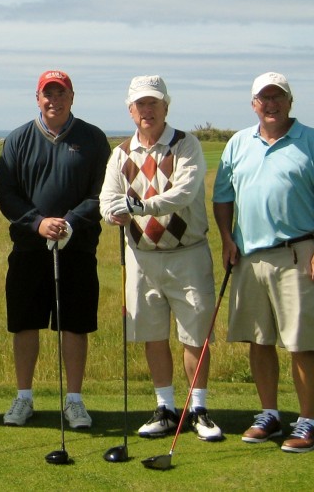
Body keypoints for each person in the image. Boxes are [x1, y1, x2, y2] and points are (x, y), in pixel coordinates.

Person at [212, 72, 314, 453]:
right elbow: (223, 199)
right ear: (253, 103)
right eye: (263, 98)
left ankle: (308, 422)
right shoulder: (238, 143)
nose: (270, 104)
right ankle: (269, 414)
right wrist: (226, 239)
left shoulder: (311, 141)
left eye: (277, 97)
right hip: (249, 257)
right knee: (259, 339)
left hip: (298, 253)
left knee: (301, 341)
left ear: (290, 101)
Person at [98, 75, 223, 441]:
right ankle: (165, 407)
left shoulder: (186, 145)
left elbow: (183, 193)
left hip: (188, 254)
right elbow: (107, 199)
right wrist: (113, 214)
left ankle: (198, 409)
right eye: (141, 104)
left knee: (194, 336)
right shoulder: (120, 153)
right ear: (131, 110)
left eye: (154, 103)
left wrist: (136, 205)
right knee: (152, 334)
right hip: (142, 257)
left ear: (166, 106)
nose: (147, 110)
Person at [0, 70, 110, 428]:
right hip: (30, 249)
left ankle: (74, 401)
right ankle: (23, 397)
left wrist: (70, 222)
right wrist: (37, 222)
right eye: (48, 94)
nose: (54, 101)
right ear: (38, 98)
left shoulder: (92, 138)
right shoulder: (18, 140)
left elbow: (103, 192)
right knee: (25, 324)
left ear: (72, 97)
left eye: (61, 94)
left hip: (76, 248)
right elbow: (6, 193)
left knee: (74, 326)